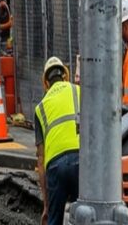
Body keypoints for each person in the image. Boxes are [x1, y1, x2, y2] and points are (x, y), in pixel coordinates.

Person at [35, 56, 80, 225]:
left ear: (46, 83)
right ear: (65, 76)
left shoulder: (40, 108)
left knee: (54, 219)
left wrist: (46, 206)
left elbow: (40, 159)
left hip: (55, 165)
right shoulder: (78, 91)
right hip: (80, 160)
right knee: (83, 215)